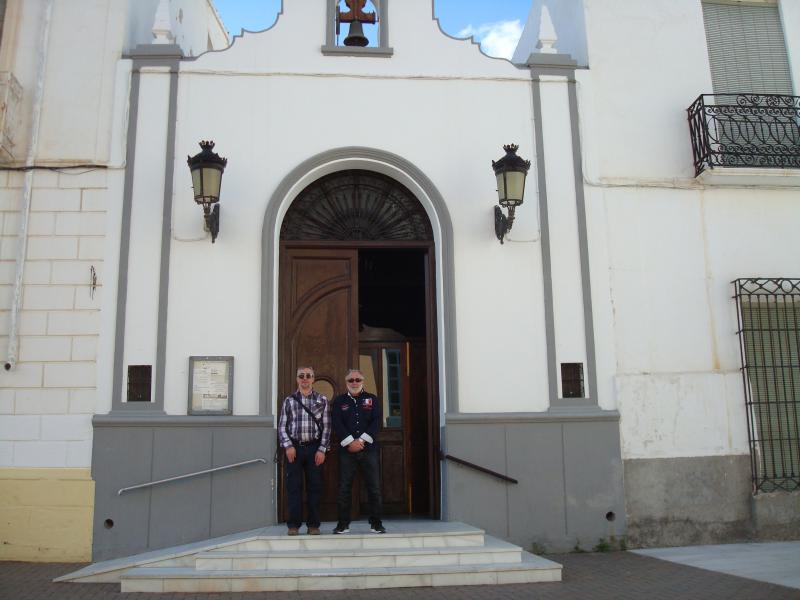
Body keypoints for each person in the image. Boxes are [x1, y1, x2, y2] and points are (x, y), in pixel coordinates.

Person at [331, 368, 385, 534]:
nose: (354, 383)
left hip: (369, 449)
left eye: (357, 380)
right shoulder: (339, 401)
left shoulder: (372, 399)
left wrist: (361, 441)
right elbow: (336, 422)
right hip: (347, 451)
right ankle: (343, 524)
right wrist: (350, 442)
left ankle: (376, 523)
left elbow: (377, 421)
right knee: (344, 488)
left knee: (374, 487)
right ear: (346, 382)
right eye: (351, 380)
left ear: (363, 381)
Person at [277, 366, 331, 536]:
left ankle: (313, 525)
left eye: (308, 375)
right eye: (301, 376)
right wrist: (288, 446)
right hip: (294, 448)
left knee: (315, 487)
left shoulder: (322, 399)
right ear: (297, 379)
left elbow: (327, 427)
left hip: (315, 448)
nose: (305, 378)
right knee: (294, 487)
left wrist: (322, 449)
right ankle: (293, 525)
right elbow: (282, 426)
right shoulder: (289, 401)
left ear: (313, 379)